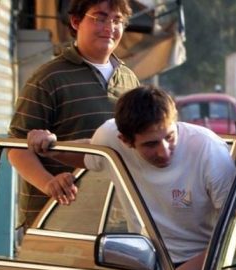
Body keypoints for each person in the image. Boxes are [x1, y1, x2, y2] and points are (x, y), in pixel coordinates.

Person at [28, 85, 236, 270]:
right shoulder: (108, 137)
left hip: (209, 264)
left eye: (170, 137)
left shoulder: (209, 150)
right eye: (151, 144)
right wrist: (49, 145)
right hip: (145, 261)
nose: (164, 151)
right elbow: (89, 155)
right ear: (125, 141)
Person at [8, 0, 139, 230]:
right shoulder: (48, 78)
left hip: (112, 221)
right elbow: (16, 147)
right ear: (76, 21)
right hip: (54, 222)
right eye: (100, 18)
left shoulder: (129, 80)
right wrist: (49, 184)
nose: (109, 27)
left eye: (117, 20)